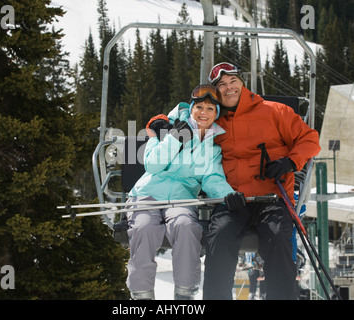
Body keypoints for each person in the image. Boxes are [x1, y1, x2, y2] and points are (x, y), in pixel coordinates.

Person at [201, 62, 321, 300]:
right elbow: (185, 115)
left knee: (278, 236)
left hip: (271, 197)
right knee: (220, 235)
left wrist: (289, 162)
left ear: (242, 83)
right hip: (233, 199)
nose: (229, 88)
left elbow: (310, 139)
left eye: (233, 81)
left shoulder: (274, 111)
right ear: (216, 92)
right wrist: (160, 122)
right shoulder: (213, 120)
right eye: (222, 85)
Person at [125, 84, 242, 300]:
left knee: (186, 226)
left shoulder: (212, 149)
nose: (203, 113)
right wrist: (175, 138)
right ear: (191, 109)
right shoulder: (165, 131)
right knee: (144, 228)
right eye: (199, 107)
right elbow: (152, 165)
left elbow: (211, 178)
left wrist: (227, 194)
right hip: (147, 194)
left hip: (181, 200)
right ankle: (141, 295)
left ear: (216, 115)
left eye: (210, 109)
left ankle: (184, 294)